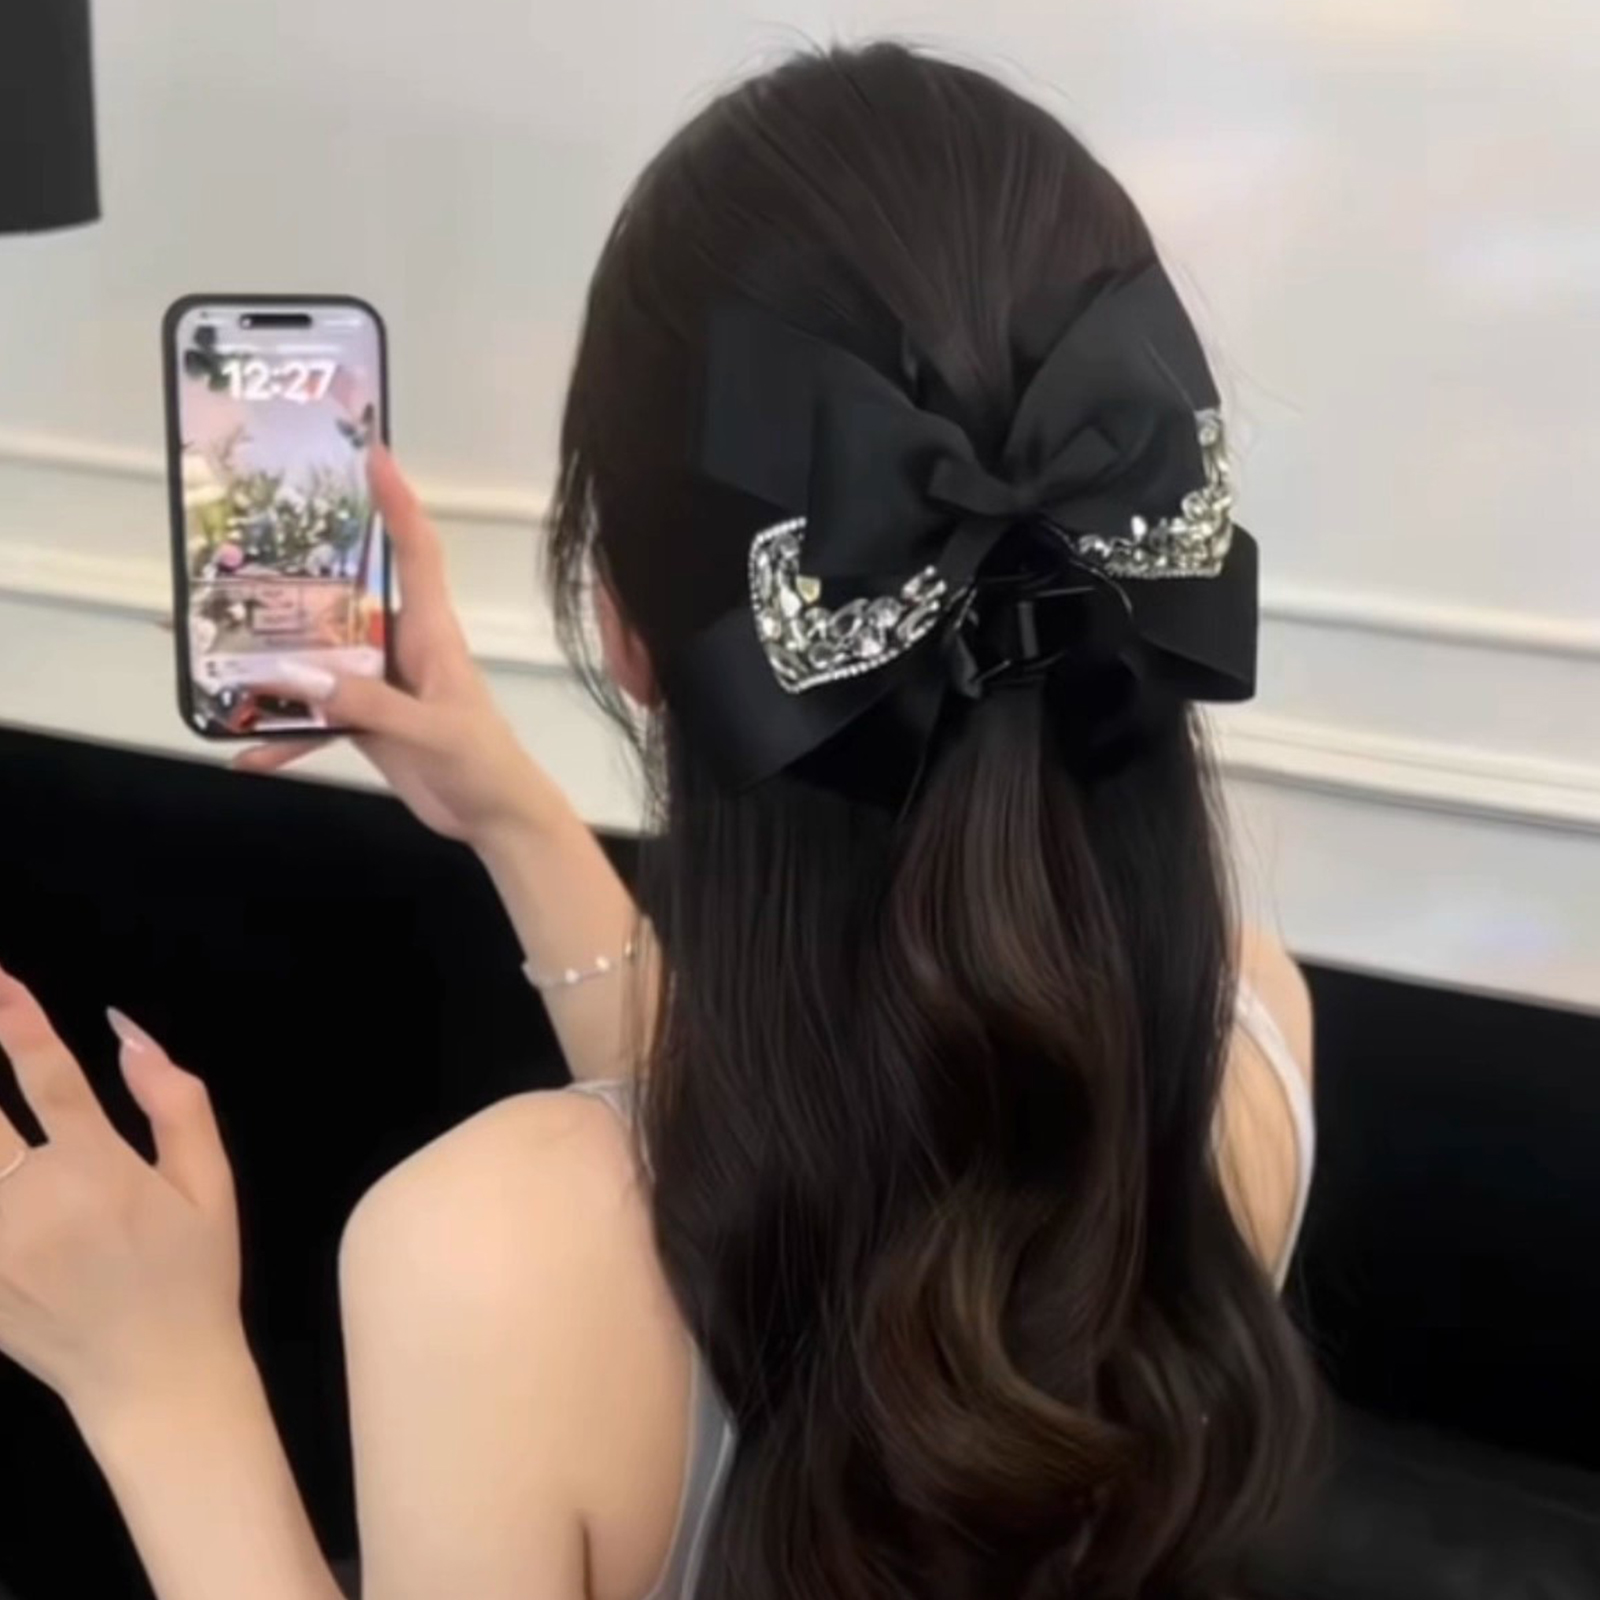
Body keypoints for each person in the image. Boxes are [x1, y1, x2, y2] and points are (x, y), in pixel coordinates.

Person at [0, 42, 1320, 1600]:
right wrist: (509, 812)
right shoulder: (1249, 1041)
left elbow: (706, 1204)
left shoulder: (486, 1262)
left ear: (624, 627)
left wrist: (159, 1388)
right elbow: (794, 1162)